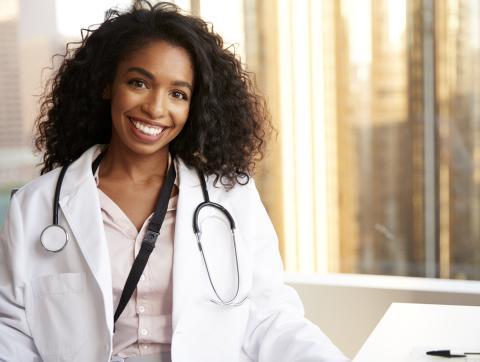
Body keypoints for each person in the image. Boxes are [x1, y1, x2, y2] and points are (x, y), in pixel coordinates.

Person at [0, 2, 349, 361]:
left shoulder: (231, 198)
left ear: (194, 105)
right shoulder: (37, 205)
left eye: (177, 94)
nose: (155, 108)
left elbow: (270, 317)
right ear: (108, 85)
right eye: (139, 83)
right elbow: (11, 328)